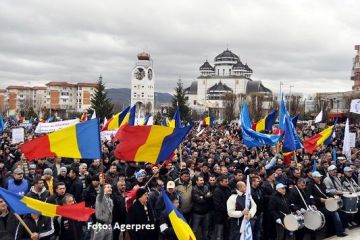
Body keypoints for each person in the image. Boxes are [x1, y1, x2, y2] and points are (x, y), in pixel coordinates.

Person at [306, 171, 347, 237]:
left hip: (327, 203)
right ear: (314, 177)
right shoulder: (310, 185)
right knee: (334, 213)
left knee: (340, 211)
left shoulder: (322, 184)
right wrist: (319, 199)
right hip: (319, 205)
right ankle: (340, 232)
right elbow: (310, 196)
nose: (320, 178)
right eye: (318, 177)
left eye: (320, 177)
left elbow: (326, 192)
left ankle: (334, 231)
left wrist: (333, 196)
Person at [91, 173, 113, 240]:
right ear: (103, 189)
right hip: (100, 225)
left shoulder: (111, 200)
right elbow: (100, 192)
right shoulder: (100, 198)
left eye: (111, 187)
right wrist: (101, 185)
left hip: (108, 225)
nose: (110, 188)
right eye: (108, 187)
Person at [191, 175, 211, 240]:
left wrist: (203, 197)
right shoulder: (194, 189)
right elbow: (199, 200)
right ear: (196, 181)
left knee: (206, 230)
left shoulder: (206, 187)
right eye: (200, 180)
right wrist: (205, 196)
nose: (202, 182)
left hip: (206, 213)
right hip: (197, 214)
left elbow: (210, 196)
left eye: (203, 180)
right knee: (195, 231)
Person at [213, 175, 231, 240]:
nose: (227, 183)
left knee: (226, 233)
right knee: (219, 235)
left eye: (227, 181)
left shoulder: (228, 188)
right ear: (221, 182)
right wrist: (228, 211)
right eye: (226, 181)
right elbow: (218, 205)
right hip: (219, 217)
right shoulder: (217, 191)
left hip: (227, 216)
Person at [250, 175, 264, 240]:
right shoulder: (249, 191)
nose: (259, 182)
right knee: (251, 231)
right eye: (257, 181)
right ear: (253, 182)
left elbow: (261, 200)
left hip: (260, 213)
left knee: (258, 230)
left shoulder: (259, 189)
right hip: (253, 215)